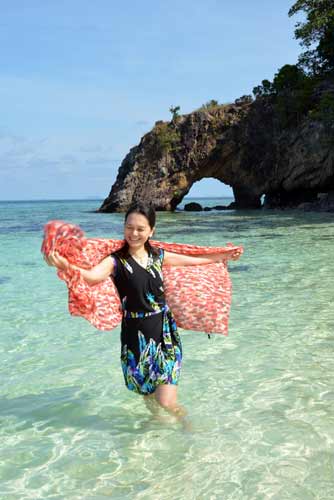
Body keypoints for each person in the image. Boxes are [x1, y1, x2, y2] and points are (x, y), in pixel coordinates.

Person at [45, 202, 242, 418]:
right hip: (134, 337)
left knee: (166, 401)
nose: (134, 233)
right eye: (129, 227)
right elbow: (92, 277)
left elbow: (192, 261)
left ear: (151, 231)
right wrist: (65, 266)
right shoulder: (115, 261)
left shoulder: (159, 256)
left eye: (140, 228)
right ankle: (156, 434)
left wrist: (222, 256)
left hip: (164, 335)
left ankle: (189, 432)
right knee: (148, 394)